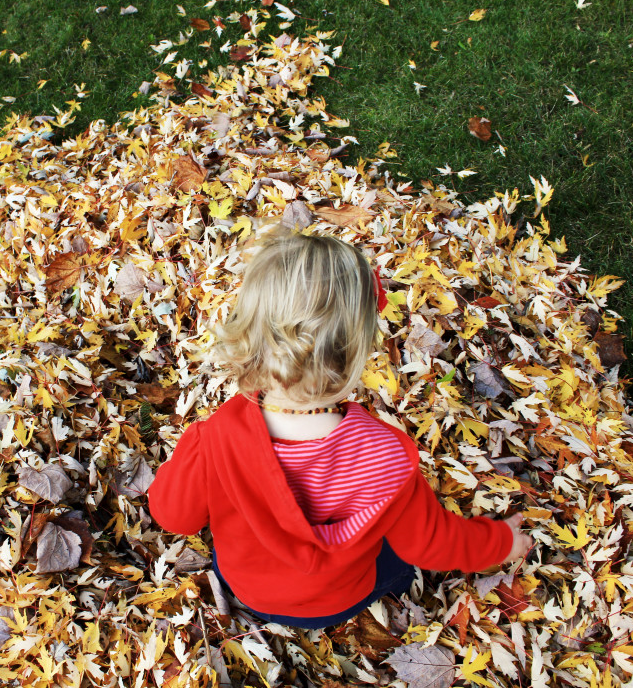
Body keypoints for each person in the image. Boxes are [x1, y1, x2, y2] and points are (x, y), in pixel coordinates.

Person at [147, 230, 532, 629]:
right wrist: (501, 541)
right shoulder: (387, 457)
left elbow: (174, 517)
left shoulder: (215, 438)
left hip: (249, 587)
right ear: (358, 349)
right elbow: (433, 543)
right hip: (337, 600)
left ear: (252, 331)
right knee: (398, 555)